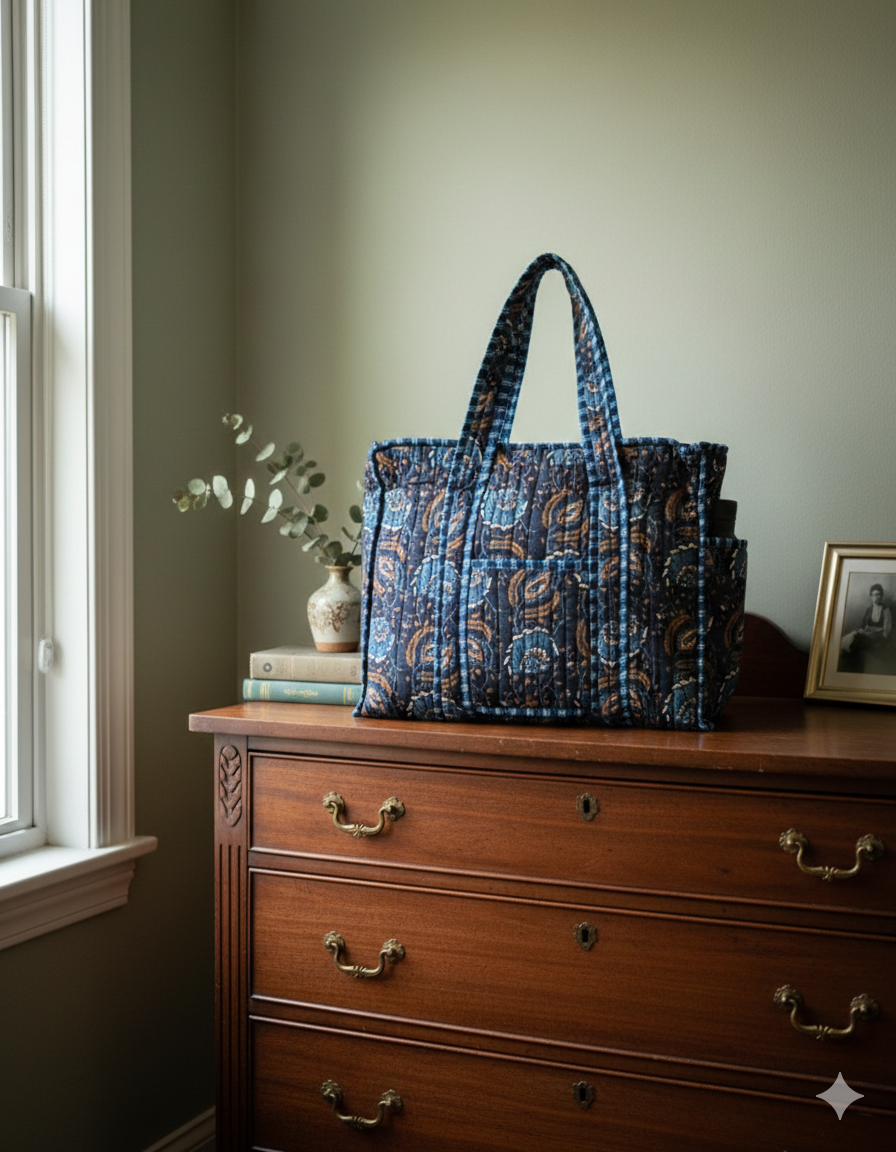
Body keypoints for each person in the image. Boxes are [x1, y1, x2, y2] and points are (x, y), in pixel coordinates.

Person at [839, 584, 892, 673]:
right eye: (874, 595)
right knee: (855, 638)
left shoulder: (886, 610)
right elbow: (863, 625)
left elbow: (886, 630)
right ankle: (853, 668)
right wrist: (861, 630)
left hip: (878, 637)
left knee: (856, 640)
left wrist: (873, 633)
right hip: (867, 635)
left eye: (878, 594)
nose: (876, 597)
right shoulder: (869, 609)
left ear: (881, 596)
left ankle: (852, 669)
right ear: (871, 597)